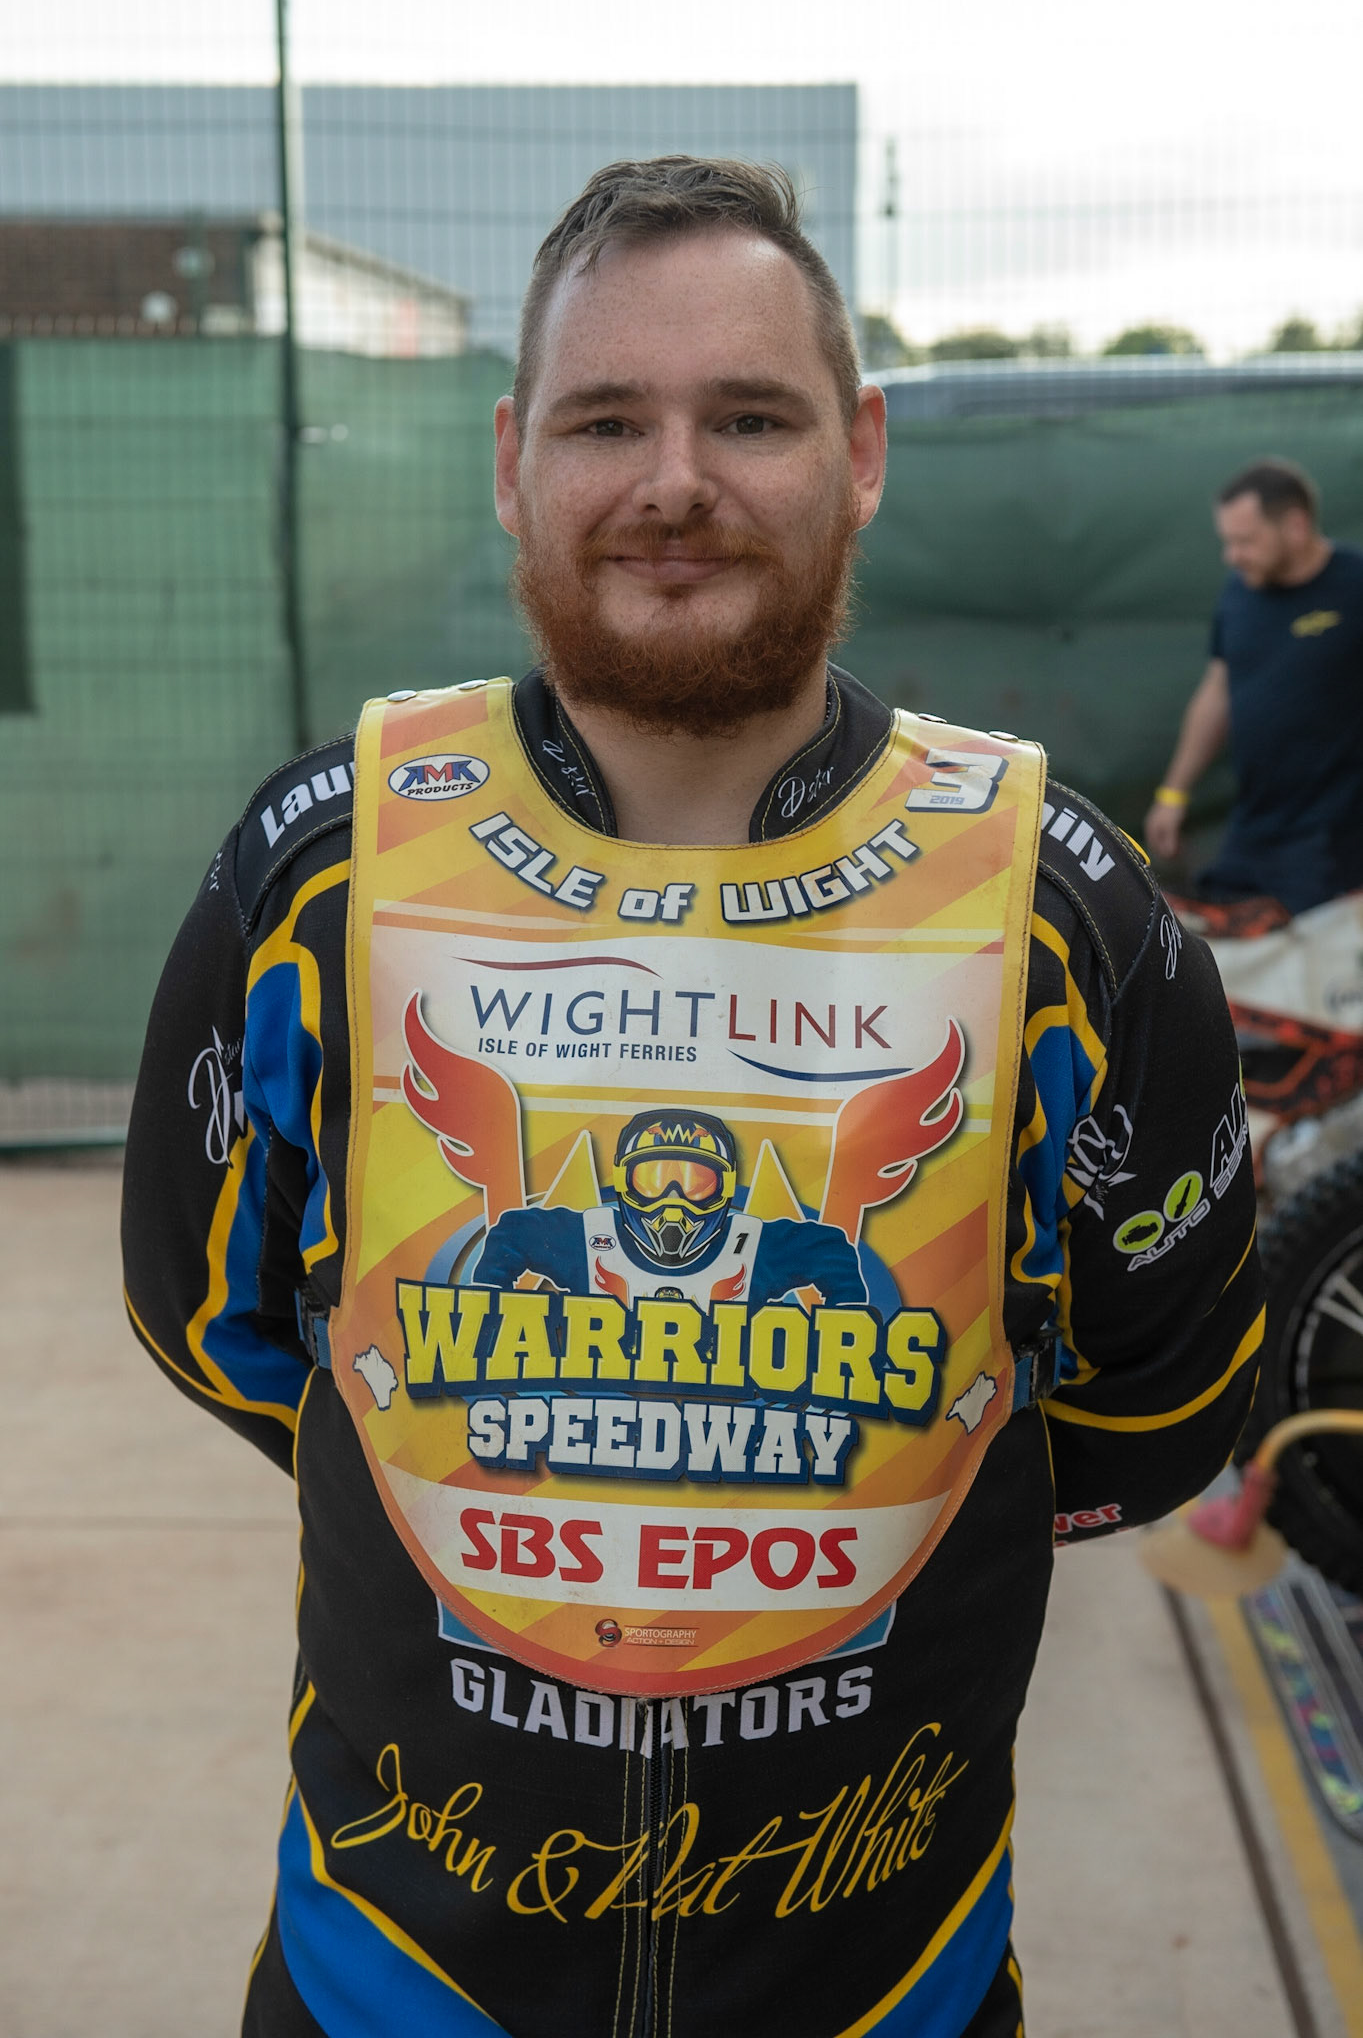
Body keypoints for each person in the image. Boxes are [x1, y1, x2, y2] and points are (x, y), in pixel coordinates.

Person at [121, 157, 1263, 2038]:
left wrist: (873, 1536)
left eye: (747, 416)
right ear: (511, 460)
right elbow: (209, 1321)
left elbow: (1158, 1405)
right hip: (394, 1970)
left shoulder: (1059, 902)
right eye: (603, 421)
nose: (672, 481)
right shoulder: (322, 864)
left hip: (879, 1976)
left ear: (858, 451)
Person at [1144, 458, 1363, 914]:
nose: (1233, 555)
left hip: (1336, 839)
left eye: (1245, 540)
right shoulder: (1239, 592)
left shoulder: (1354, 583)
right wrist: (1173, 793)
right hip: (1255, 830)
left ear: (1296, 525)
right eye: (1228, 541)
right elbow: (1217, 690)